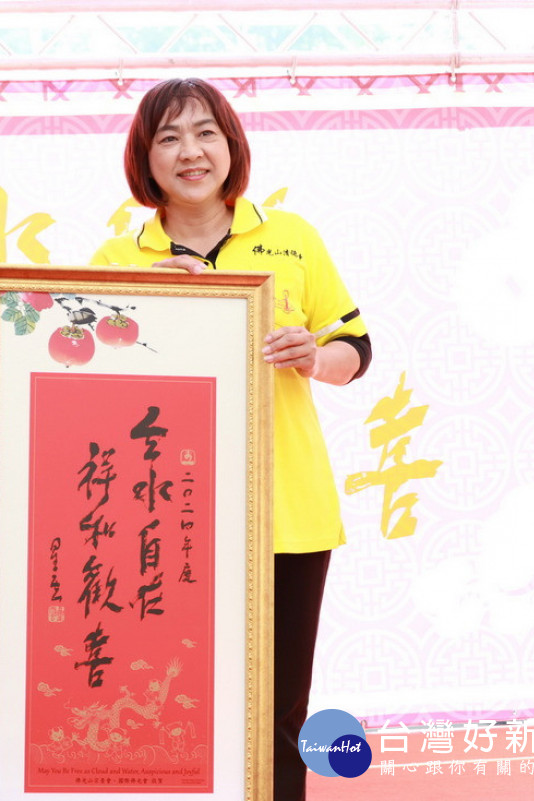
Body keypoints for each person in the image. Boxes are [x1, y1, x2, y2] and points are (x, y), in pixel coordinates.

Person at [91, 77, 371, 801]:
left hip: (288, 513)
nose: (191, 152)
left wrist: (313, 355)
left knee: (281, 709)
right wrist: (142, 304)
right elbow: (85, 386)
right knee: (170, 700)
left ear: (232, 144)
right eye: (169, 137)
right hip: (161, 517)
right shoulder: (116, 261)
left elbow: (355, 349)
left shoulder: (294, 237)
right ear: (143, 158)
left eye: (206, 132)